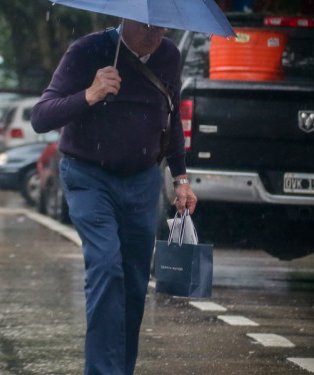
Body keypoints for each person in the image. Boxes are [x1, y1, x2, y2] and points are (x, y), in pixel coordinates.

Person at [30, 18, 197, 375]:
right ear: (126, 18)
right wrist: (89, 94)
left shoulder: (168, 55)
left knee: (135, 282)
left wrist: (180, 178)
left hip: (142, 179)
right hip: (88, 175)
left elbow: (173, 118)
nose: (155, 36)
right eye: (148, 27)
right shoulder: (87, 50)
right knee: (106, 267)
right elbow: (40, 117)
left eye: (162, 28)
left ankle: (120, 369)